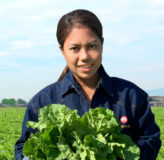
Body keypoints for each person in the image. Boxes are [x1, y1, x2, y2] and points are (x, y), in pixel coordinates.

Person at [14, 9, 161, 160]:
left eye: (91, 46)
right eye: (74, 48)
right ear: (62, 50)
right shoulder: (43, 101)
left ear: (101, 44)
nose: (84, 56)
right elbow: (22, 148)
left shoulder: (132, 96)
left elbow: (151, 140)